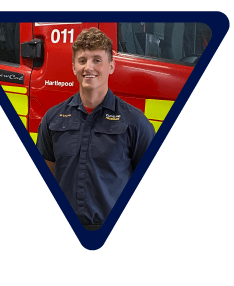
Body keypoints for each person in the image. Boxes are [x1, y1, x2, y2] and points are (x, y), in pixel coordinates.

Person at [37, 27, 155, 230]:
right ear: (74, 66)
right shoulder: (52, 118)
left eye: (97, 60)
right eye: (82, 60)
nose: (88, 67)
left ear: (111, 66)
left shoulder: (135, 122)